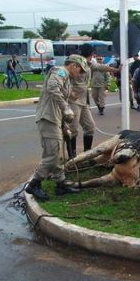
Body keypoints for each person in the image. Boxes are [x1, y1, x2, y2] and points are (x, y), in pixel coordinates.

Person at [23, 55, 88, 201]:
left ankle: (61, 184)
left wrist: (64, 125)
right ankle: (34, 184)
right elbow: (52, 88)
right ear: (73, 66)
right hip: (48, 119)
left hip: (55, 120)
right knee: (52, 155)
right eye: (80, 70)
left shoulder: (67, 79)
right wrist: (66, 108)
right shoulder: (60, 72)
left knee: (58, 153)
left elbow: (58, 102)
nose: (80, 73)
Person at [67, 44, 119, 159]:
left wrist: (116, 69)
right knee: (73, 129)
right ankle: (72, 157)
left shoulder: (90, 64)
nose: (94, 56)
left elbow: (101, 67)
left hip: (84, 102)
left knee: (90, 127)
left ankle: (86, 154)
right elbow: (65, 78)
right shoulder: (74, 63)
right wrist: (70, 92)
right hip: (73, 101)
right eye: (93, 54)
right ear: (91, 54)